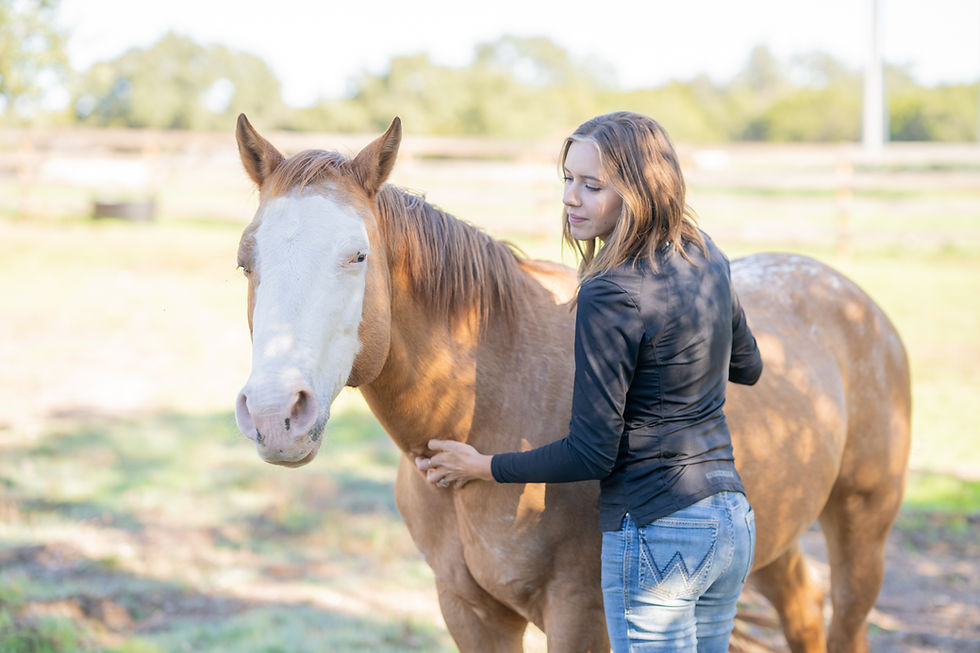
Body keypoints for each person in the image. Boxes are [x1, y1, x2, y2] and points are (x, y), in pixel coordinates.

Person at [416, 111, 763, 652]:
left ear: (639, 192)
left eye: (592, 185)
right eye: (568, 179)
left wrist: (480, 465)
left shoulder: (608, 291)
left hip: (658, 532)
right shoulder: (704, 252)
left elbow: (591, 454)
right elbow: (748, 366)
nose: (571, 198)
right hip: (729, 522)